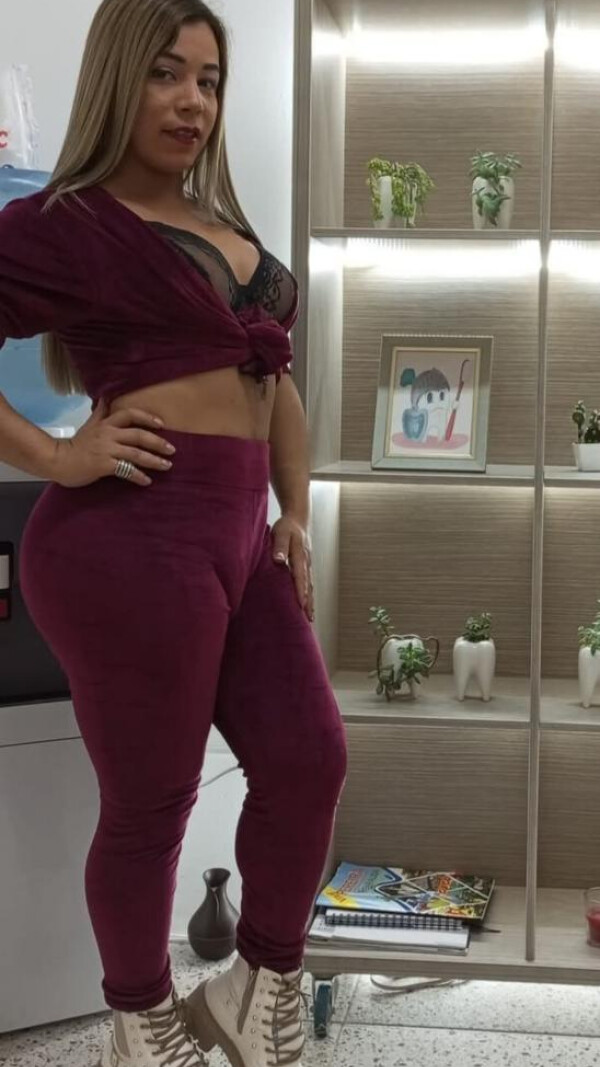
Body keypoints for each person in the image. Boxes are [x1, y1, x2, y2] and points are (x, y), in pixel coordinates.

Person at [0, 2, 348, 1065]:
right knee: (153, 802)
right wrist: (58, 454)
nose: (192, 100)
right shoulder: (67, 221)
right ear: (119, 79)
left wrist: (295, 512)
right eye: (165, 74)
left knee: (309, 757)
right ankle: (140, 1019)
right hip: (129, 539)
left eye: (208, 79)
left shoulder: (221, 223)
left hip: (241, 539)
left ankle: (258, 984)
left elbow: (272, 383)